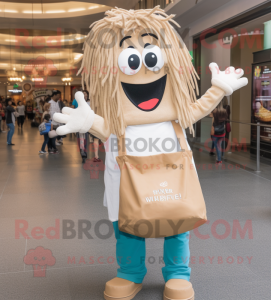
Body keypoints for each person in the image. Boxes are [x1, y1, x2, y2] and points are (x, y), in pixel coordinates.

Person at [52, 7, 248, 300]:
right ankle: (130, 273)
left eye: (152, 57)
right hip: (123, 179)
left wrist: (218, 89)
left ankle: (178, 274)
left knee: (176, 224)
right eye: (129, 59)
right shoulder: (118, 122)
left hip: (172, 180)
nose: (142, 67)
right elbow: (104, 127)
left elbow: (195, 109)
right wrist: (88, 121)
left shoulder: (175, 116)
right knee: (127, 229)